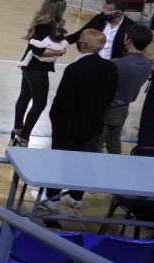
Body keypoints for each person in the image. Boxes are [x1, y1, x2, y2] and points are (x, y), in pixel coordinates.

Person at [40, 30, 118, 210]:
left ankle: (53, 198)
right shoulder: (111, 67)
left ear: (84, 45)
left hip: (68, 124)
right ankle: (76, 197)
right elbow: (109, 96)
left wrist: (55, 117)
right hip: (93, 123)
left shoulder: (75, 68)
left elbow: (62, 98)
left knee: (60, 160)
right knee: (84, 161)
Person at [13, 0, 68, 147]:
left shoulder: (42, 23)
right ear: (58, 10)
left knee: (24, 97)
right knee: (39, 104)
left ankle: (17, 128)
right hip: (37, 69)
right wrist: (60, 52)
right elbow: (39, 52)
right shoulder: (46, 26)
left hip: (29, 67)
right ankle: (24, 136)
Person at [96, 24, 153, 154]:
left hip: (108, 109)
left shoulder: (116, 64)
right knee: (114, 142)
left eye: (125, 37)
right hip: (123, 109)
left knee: (96, 144)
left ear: (129, 41)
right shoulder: (147, 64)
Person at [65, 0, 132, 59]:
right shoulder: (99, 18)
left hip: (113, 64)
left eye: (107, 12)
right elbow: (82, 32)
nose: (103, 13)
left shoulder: (130, 26)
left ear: (119, 13)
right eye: (103, 10)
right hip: (92, 59)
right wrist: (63, 41)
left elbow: (130, 50)